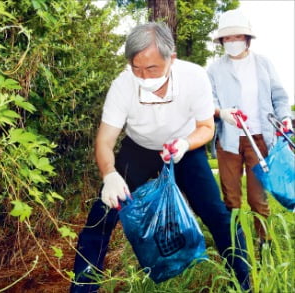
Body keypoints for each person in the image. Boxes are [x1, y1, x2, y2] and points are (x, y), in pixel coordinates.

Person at [70, 22, 250, 293]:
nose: (143, 77)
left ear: (172, 58)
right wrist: (110, 174)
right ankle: (83, 287)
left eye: (152, 68)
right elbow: (104, 141)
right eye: (136, 68)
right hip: (139, 149)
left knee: (216, 214)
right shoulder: (122, 85)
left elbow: (206, 127)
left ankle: (244, 282)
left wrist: (184, 143)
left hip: (184, 148)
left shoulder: (194, 77)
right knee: (102, 215)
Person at [207, 9, 292, 250]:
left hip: (260, 139)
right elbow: (209, 102)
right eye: (228, 38)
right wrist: (222, 113)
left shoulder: (264, 63)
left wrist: (284, 117)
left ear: (247, 38)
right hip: (229, 140)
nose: (233, 42)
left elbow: (280, 97)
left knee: (258, 198)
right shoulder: (214, 70)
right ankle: (236, 245)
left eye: (237, 37)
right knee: (231, 198)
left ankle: (264, 243)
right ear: (222, 41)